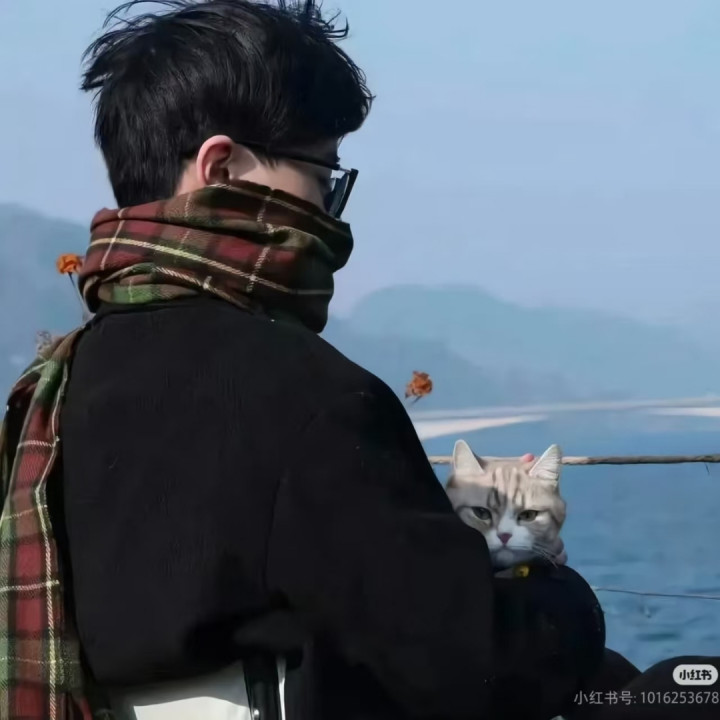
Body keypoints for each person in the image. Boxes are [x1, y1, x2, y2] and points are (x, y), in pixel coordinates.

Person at [0, 2, 609, 719]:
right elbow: (470, 662)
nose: (332, 210)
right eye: (324, 176)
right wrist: (561, 598)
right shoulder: (309, 398)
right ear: (221, 167)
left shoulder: (50, 393)